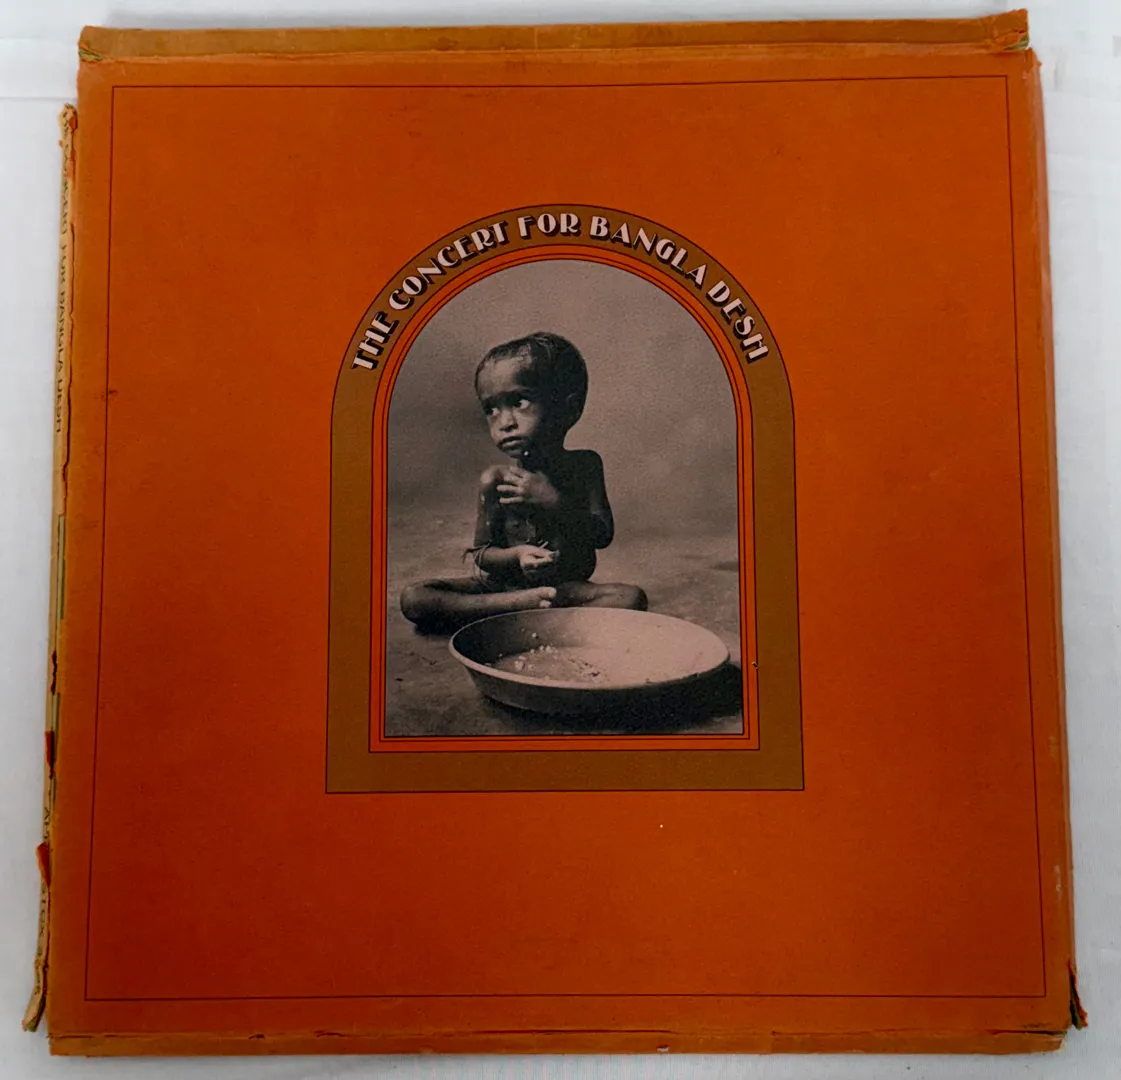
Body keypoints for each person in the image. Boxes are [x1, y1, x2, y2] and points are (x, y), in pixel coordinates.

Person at [400, 331, 647, 631]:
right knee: (415, 597)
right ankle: (523, 607)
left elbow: (602, 535)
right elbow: (483, 555)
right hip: (503, 587)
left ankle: (515, 612)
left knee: (630, 598)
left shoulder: (585, 466)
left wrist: (553, 500)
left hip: (564, 588)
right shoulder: (495, 480)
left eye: (519, 402)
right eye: (491, 410)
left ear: (568, 408)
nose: (504, 423)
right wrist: (517, 556)